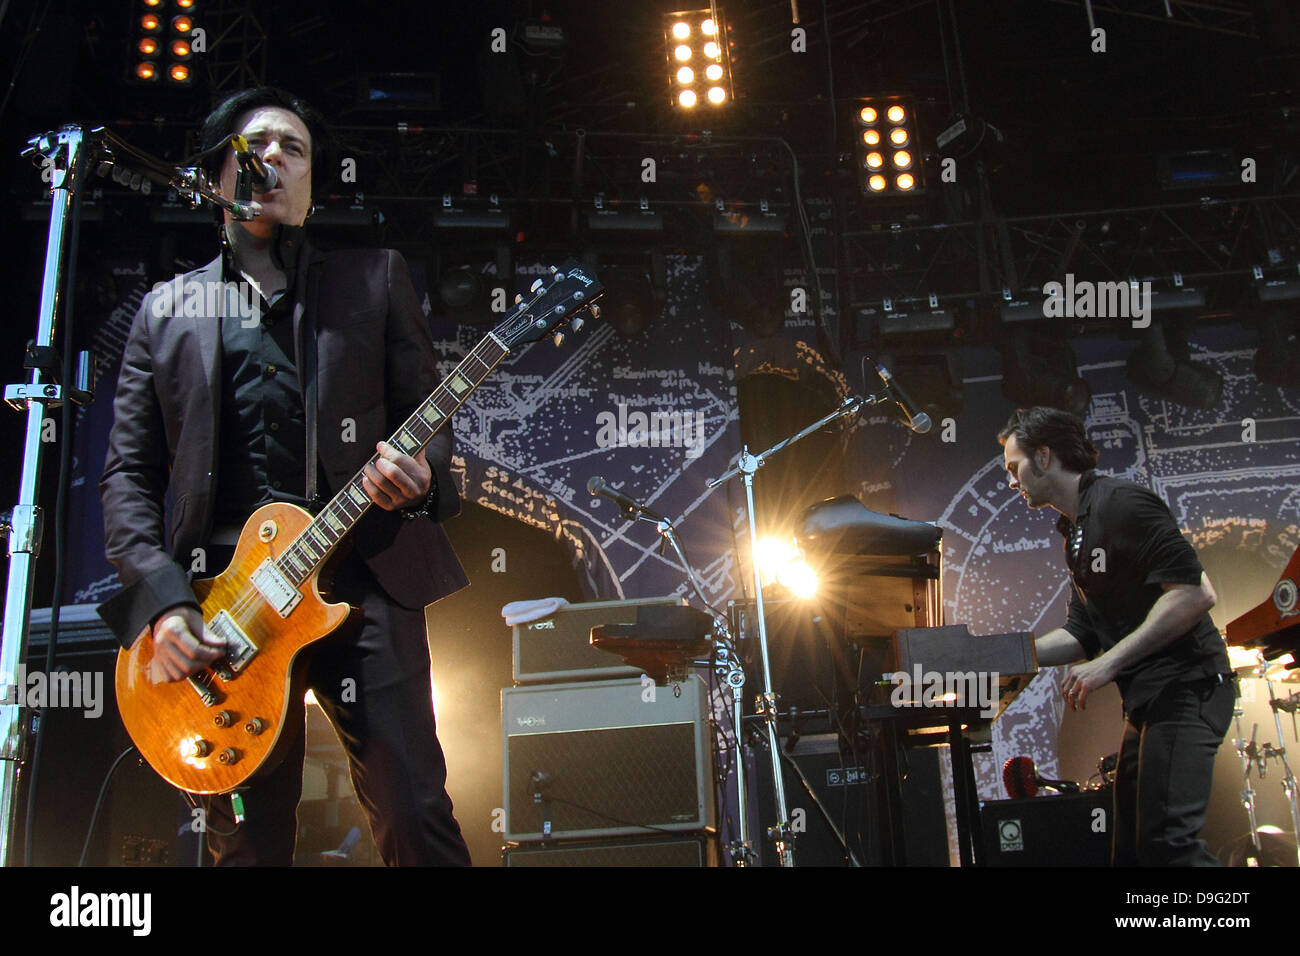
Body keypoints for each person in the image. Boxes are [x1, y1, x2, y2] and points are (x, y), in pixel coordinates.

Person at [97, 87, 472, 866]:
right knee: (248, 850)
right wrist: (165, 609)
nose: (274, 159)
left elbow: (431, 427)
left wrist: (422, 477)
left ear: (311, 183)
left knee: (414, 816)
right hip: (222, 618)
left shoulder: (373, 280)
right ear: (216, 173)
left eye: (294, 149)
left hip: (360, 580)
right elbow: (129, 475)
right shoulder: (167, 311)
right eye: (257, 145)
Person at [997, 406, 1233, 866]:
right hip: (1150, 701)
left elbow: (1194, 593)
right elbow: (1081, 635)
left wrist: (1109, 663)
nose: (1011, 481)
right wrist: (1002, 655)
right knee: (1129, 855)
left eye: (1014, 466)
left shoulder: (1120, 503)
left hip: (1188, 687)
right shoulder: (1076, 532)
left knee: (1169, 847)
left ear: (1043, 457)